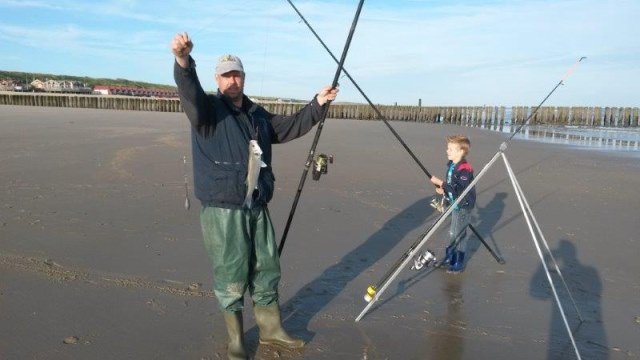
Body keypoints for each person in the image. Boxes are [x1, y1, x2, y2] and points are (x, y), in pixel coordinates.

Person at [170, 32, 338, 359]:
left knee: (266, 269)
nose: (233, 80)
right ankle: (236, 340)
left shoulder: (258, 115)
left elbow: (289, 127)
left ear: (244, 77)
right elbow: (188, 91)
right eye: (227, 75)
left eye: (238, 74)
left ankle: (271, 330)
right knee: (231, 273)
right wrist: (183, 62)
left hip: (257, 207)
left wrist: (317, 103)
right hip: (223, 210)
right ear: (217, 79)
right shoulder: (206, 112)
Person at [429, 135, 476, 273]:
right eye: (447, 148)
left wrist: (441, 183)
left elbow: (460, 188)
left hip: (463, 205)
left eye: (450, 149)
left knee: (459, 234)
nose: (447, 151)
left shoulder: (465, 169)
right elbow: (451, 185)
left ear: (461, 151)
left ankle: (458, 262)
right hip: (454, 204)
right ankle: (450, 257)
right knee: (453, 233)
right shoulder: (452, 165)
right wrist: (443, 189)